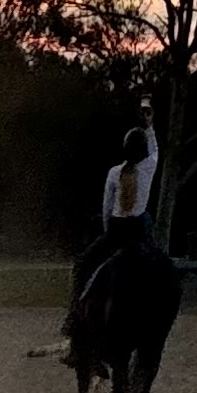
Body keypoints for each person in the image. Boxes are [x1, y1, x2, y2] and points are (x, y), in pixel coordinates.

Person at [64, 109, 163, 324]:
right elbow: (156, 151)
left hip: (117, 231)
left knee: (82, 265)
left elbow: (107, 208)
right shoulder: (148, 168)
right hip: (137, 231)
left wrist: (109, 231)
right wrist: (150, 126)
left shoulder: (114, 173)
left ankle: (74, 318)